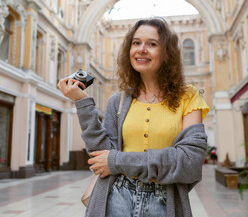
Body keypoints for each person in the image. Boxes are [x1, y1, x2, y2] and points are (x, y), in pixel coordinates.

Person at [57, 17, 209, 217]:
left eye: (152, 44)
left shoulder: (188, 96)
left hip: (163, 202)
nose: (141, 49)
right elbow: (102, 156)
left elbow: (190, 161)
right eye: (136, 43)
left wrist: (118, 161)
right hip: (116, 198)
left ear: (166, 53)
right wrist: (83, 103)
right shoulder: (118, 101)